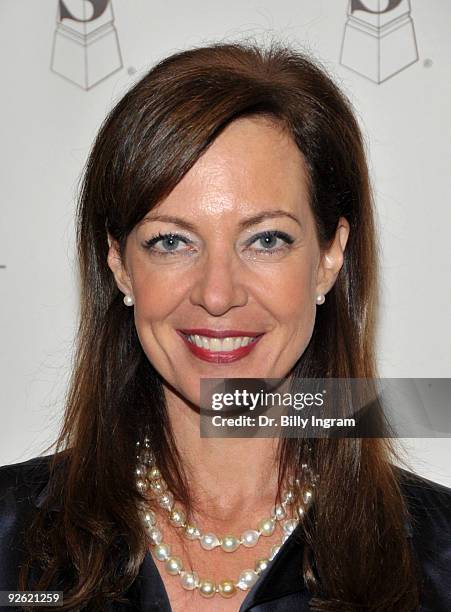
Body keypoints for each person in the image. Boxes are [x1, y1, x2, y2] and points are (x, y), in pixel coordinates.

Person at [1, 41, 450, 612]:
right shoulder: (9, 539)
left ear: (329, 256)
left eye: (266, 240)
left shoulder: (439, 561)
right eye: (172, 241)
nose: (217, 295)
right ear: (118, 263)